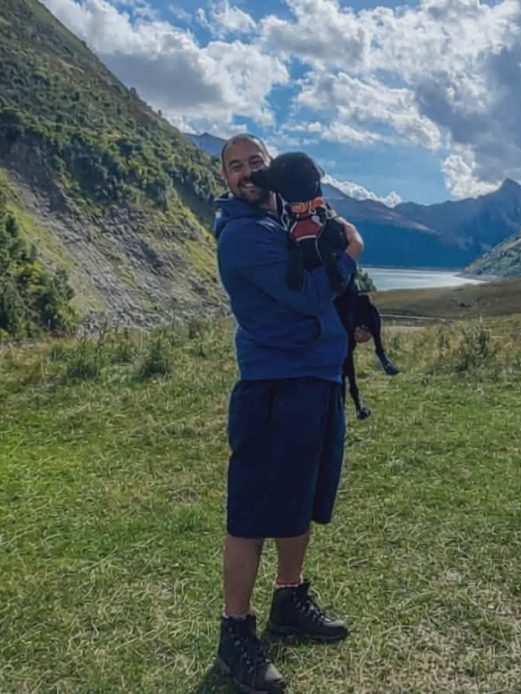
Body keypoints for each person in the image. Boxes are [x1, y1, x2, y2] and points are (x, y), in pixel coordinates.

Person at [212, 134, 364, 694]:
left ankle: (289, 597)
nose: (247, 172)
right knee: (252, 509)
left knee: (301, 497)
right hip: (273, 385)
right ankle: (234, 632)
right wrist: (349, 255)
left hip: (317, 378)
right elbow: (306, 295)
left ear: (273, 170)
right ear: (225, 178)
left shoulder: (288, 219)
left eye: (256, 162)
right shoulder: (244, 236)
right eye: (235, 166)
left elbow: (323, 289)